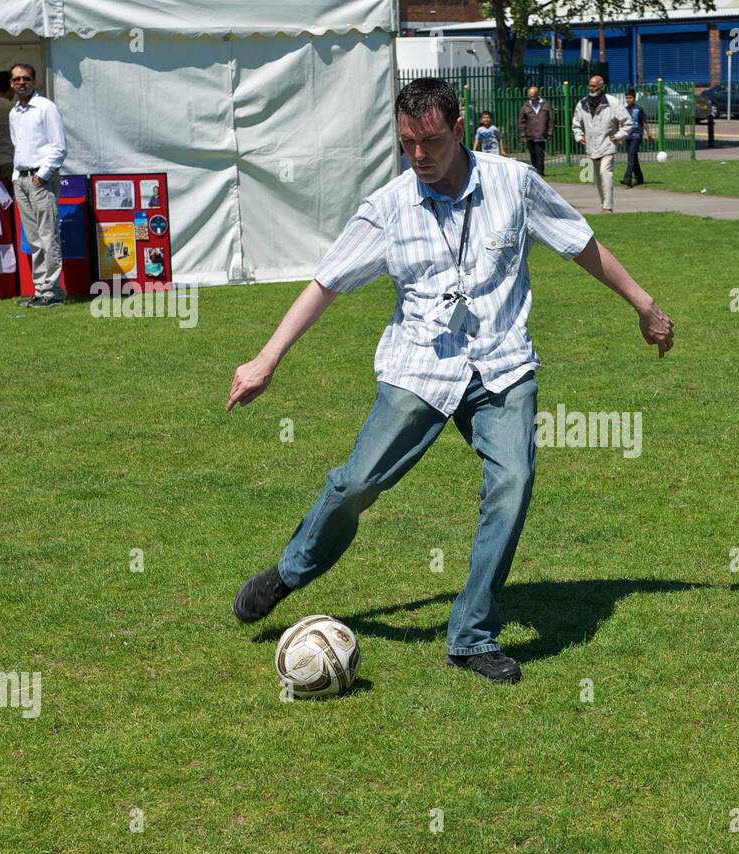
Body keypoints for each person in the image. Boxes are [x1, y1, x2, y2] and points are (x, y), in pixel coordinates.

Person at [228, 78, 674, 685]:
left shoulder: (513, 183)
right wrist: (266, 358)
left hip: (502, 364)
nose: (419, 155)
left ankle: (471, 636)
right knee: (356, 482)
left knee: (513, 482)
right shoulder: (388, 207)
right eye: (407, 142)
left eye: (431, 141)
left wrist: (644, 306)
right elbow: (325, 283)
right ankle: (289, 573)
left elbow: (580, 244)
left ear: (460, 130)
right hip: (419, 367)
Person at [7, 63, 68, 307]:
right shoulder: (14, 113)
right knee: (33, 239)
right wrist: (15, 175)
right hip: (22, 179)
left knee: (47, 235)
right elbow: (18, 146)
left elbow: (59, 147)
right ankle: (41, 290)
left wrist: (41, 175)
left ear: (34, 82)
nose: (22, 82)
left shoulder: (46, 108)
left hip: (40, 179)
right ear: (11, 84)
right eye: (17, 79)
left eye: (26, 78)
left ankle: (53, 293)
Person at [572, 76, 632, 214]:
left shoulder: (612, 103)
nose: (592, 89)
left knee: (606, 173)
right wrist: (579, 136)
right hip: (592, 147)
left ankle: (608, 207)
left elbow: (628, 122)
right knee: (598, 178)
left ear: (601, 87)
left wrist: (618, 135)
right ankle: (603, 205)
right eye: (590, 86)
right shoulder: (582, 104)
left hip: (607, 145)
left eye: (595, 86)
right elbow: (576, 124)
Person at [620, 89, 655, 189]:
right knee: (633, 157)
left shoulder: (639, 109)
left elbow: (644, 123)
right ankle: (639, 178)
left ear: (634, 98)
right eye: (627, 98)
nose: (628, 100)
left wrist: (649, 135)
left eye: (630, 97)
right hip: (628, 135)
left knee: (631, 156)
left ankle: (627, 178)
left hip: (637, 135)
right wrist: (621, 136)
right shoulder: (624, 110)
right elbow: (620, 123)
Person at [518, 85, 552, 176]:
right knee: (532, 153)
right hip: (530, 134)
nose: (531, 98)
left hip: (541, 133)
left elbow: (550, 119)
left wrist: (550, 132)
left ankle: (540, 172)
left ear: (538, 94)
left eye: (533, 96)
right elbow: (521, 121)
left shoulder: (545, 104)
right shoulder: (526, 106)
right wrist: (523, 134)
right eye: (530, 96)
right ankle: (535, 170)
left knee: (540, 153)